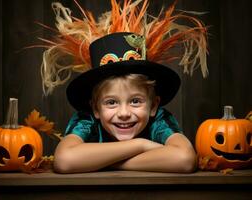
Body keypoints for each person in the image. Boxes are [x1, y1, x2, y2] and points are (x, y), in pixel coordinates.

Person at [39, 1, 208, 173]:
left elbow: (185, 159)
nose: (124, 113)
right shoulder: (86, 121)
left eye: (135, 101)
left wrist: (104, 162)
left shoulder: (159, 121)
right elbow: (65, 160)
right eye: (111, 102)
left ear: (154, 105)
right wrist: (140, 145)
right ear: (95, 108)